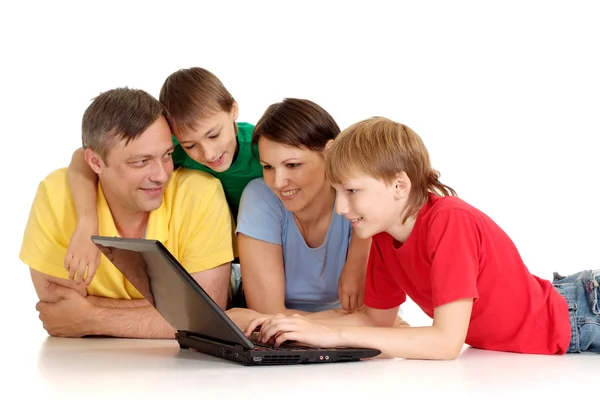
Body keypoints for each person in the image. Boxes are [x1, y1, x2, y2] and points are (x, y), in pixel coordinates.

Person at [245, 116, 600, 358]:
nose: (341, 208)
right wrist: (295, 325)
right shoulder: (382, 235)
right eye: (337, 192)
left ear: (400, 185)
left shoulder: (449, 222)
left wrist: (332, 335)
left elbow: (446, 343)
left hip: (583, 312)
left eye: (351, 191)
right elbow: (375, 321)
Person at [63, 68, 367, 312]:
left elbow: (357, 188)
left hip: (272, 252)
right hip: (226, 260)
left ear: (233, 110)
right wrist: (87, 222)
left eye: (214, 134)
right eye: (190, 144)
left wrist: (355, 263)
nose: (208, 154)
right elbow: (84, 158)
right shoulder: (173, 155)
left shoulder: (262, 148)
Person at [19, 87, 235, 338]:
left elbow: (207, 316)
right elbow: (57, 306)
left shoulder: (200, 192)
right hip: (83, 370)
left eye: (167, 155)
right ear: (96, 162)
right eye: (141, 162)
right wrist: (174, 312)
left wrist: (92, 317)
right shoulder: (56, 193)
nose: (161, 175)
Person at [235, 98, 371, 315]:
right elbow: (268, 314)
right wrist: (349, 323)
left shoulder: (365, 199)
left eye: (292, 165)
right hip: (282, 340)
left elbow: (376, 317)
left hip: (344, 339)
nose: (278, 183)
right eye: (268, 167)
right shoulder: (261, 197)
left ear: (330, 152)